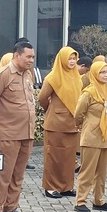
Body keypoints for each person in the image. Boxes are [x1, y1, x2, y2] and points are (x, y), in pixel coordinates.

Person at [0, 41, 36, 212]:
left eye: (33, 57)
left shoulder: (27, 75)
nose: (31, 60)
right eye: (28, 56)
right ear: (16, 55)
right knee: (3, 174)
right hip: (7, 133)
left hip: (26, 132)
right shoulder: (3, 74)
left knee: (17, 174)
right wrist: (3, 118)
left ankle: (10, 206)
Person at [72, 61, 107, 212]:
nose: (106, 75)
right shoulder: (89, 92)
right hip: (91, 135)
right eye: (102, 72)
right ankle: (80, 200)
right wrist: (80, 125)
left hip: (106, 136)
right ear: (95, 74)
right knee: (87, 170)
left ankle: (99, 199)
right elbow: (78, 113)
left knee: (102, 171)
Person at [38, 46, 81, 199]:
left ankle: (66, 186)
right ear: (61, 59)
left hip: (72, 122)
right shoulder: (53, 77)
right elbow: (42, 98)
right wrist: (51, 109)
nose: (72, 61)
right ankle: (50, 187)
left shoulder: (76, 75)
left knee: (68, 157)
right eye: (69, 58)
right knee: (53, 155)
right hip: (56, 122)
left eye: (74, 58)